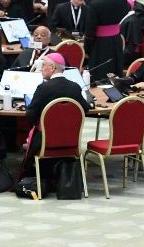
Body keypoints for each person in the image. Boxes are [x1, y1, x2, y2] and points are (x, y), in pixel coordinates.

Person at [19, 53, 91, 189]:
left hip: (46, 141)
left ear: (52, 68)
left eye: (43, 65)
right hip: (70, 140)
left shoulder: (43, 88)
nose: (41, 69)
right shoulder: (74, 87)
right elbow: (85, 109)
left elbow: (30, 116)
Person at [84, 0, 126, 78]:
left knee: (100, 73)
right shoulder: (122, 0)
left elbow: (90, 31)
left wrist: (87, 49)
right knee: (115, 70)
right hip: (117, 40)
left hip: (100, 44)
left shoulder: (94, 4)